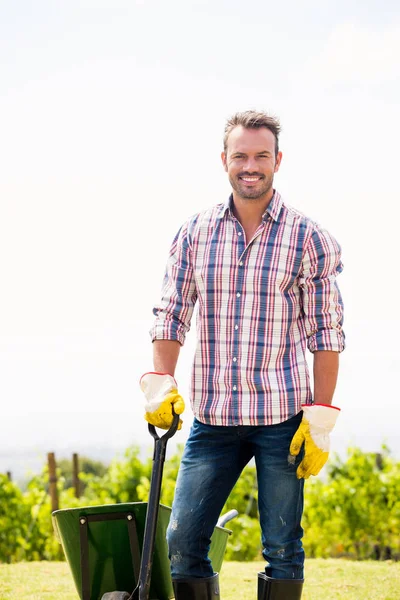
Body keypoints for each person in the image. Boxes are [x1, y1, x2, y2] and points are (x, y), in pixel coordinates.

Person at [140, 110, 345, 600]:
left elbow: (327, 332)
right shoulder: (195, 233)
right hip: (213, 421)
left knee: (282, 546)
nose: (250, 165)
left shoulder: (307, 238)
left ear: (278, 161)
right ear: (224, 161)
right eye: (240, 156)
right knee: (183, 539)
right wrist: (160, 380)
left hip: (282, 418)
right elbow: (171, 314)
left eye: (261, 156)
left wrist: (320, 418)